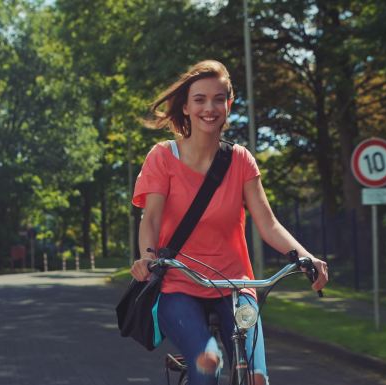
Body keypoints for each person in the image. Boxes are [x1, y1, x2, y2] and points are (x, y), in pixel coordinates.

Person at [130, 60, 329, 385]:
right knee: (208, 361)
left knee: (257, 378)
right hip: (179, 284)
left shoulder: (240, 161)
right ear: (186, 105)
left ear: (229, 104)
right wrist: (148, 259)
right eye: (200, 99)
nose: (210, 107)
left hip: (234, 285)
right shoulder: (163, 157)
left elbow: (269, 224)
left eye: (218, 99)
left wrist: (307, 258)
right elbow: (150, 218)